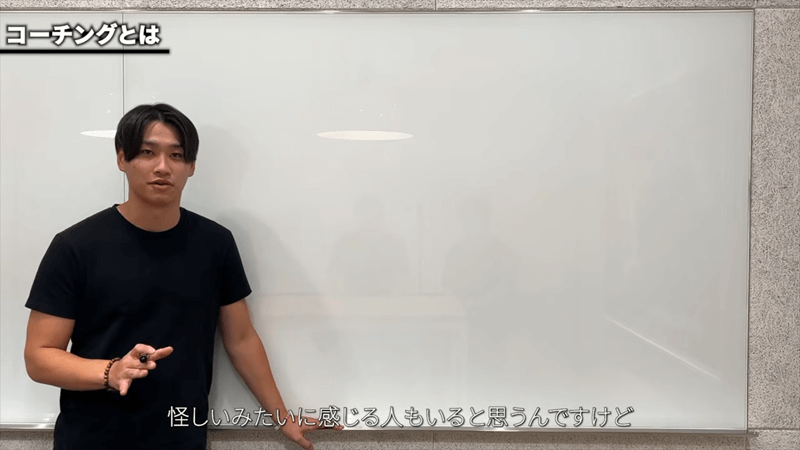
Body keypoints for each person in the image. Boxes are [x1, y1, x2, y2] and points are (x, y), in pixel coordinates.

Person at [23, 103, 341, 450]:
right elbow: (39, 356)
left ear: (191, 167)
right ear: (122, 159)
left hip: (182, 438)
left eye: (176, 155)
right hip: (91, 439)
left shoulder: (215, 244)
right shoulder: (75, 246)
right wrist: (110, 372)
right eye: (147, 152)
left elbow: (241, 340)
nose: (162, 167)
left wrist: (282, 417)